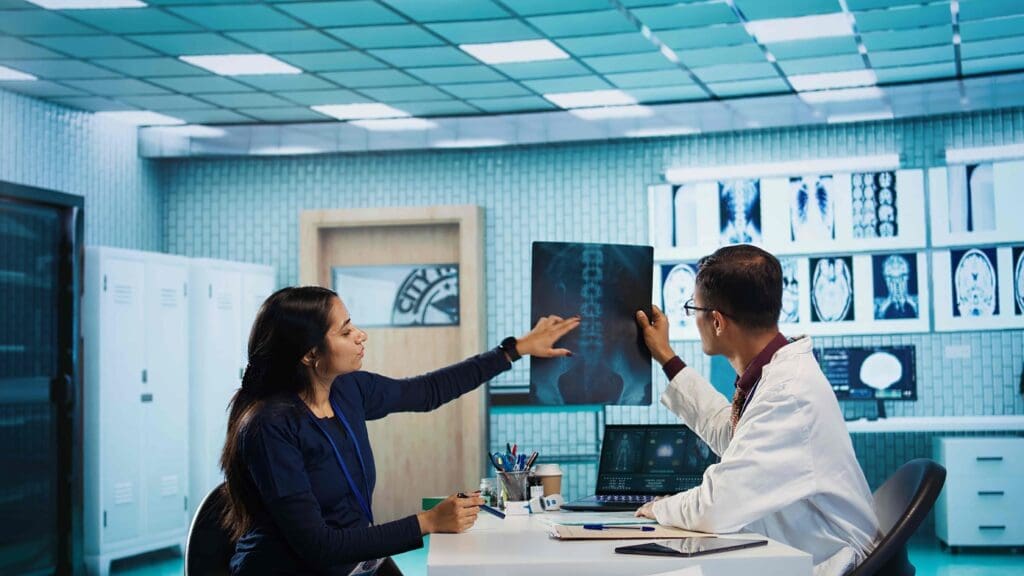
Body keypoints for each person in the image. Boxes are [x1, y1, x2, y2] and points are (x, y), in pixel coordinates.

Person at [220, 286, 579, 575]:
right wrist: (428, 522)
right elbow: (318, 546)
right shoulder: (270, 426)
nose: (361, 336)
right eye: (345, 331)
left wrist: (513, 350)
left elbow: (428, 391)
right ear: (310, 354)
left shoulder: (347, 390)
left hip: (352, 562)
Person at [633, 245, 879, 576]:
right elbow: (730, 433)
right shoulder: (776, 375)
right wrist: (666, 356)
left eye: (694, 308)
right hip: (802, 548)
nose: (694, 319)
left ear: (716, 321)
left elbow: (715, 507)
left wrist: (659, 508)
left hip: (834, 563)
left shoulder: (788, 394)